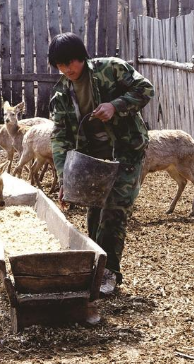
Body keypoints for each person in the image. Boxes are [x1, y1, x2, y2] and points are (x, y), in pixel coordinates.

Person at [48, 32, 154, 295]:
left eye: (70, 62)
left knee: (114, 209)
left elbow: (145, 89)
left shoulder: (111, 68)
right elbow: (60, 138)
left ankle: (109, 273)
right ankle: (95, 267)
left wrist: (116, 106)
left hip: (127, 150)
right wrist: (65, 178)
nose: (66, 69)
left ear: (81, 56)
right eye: (60, 65)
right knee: (94, 211)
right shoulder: (60, 94)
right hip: (92, 159)